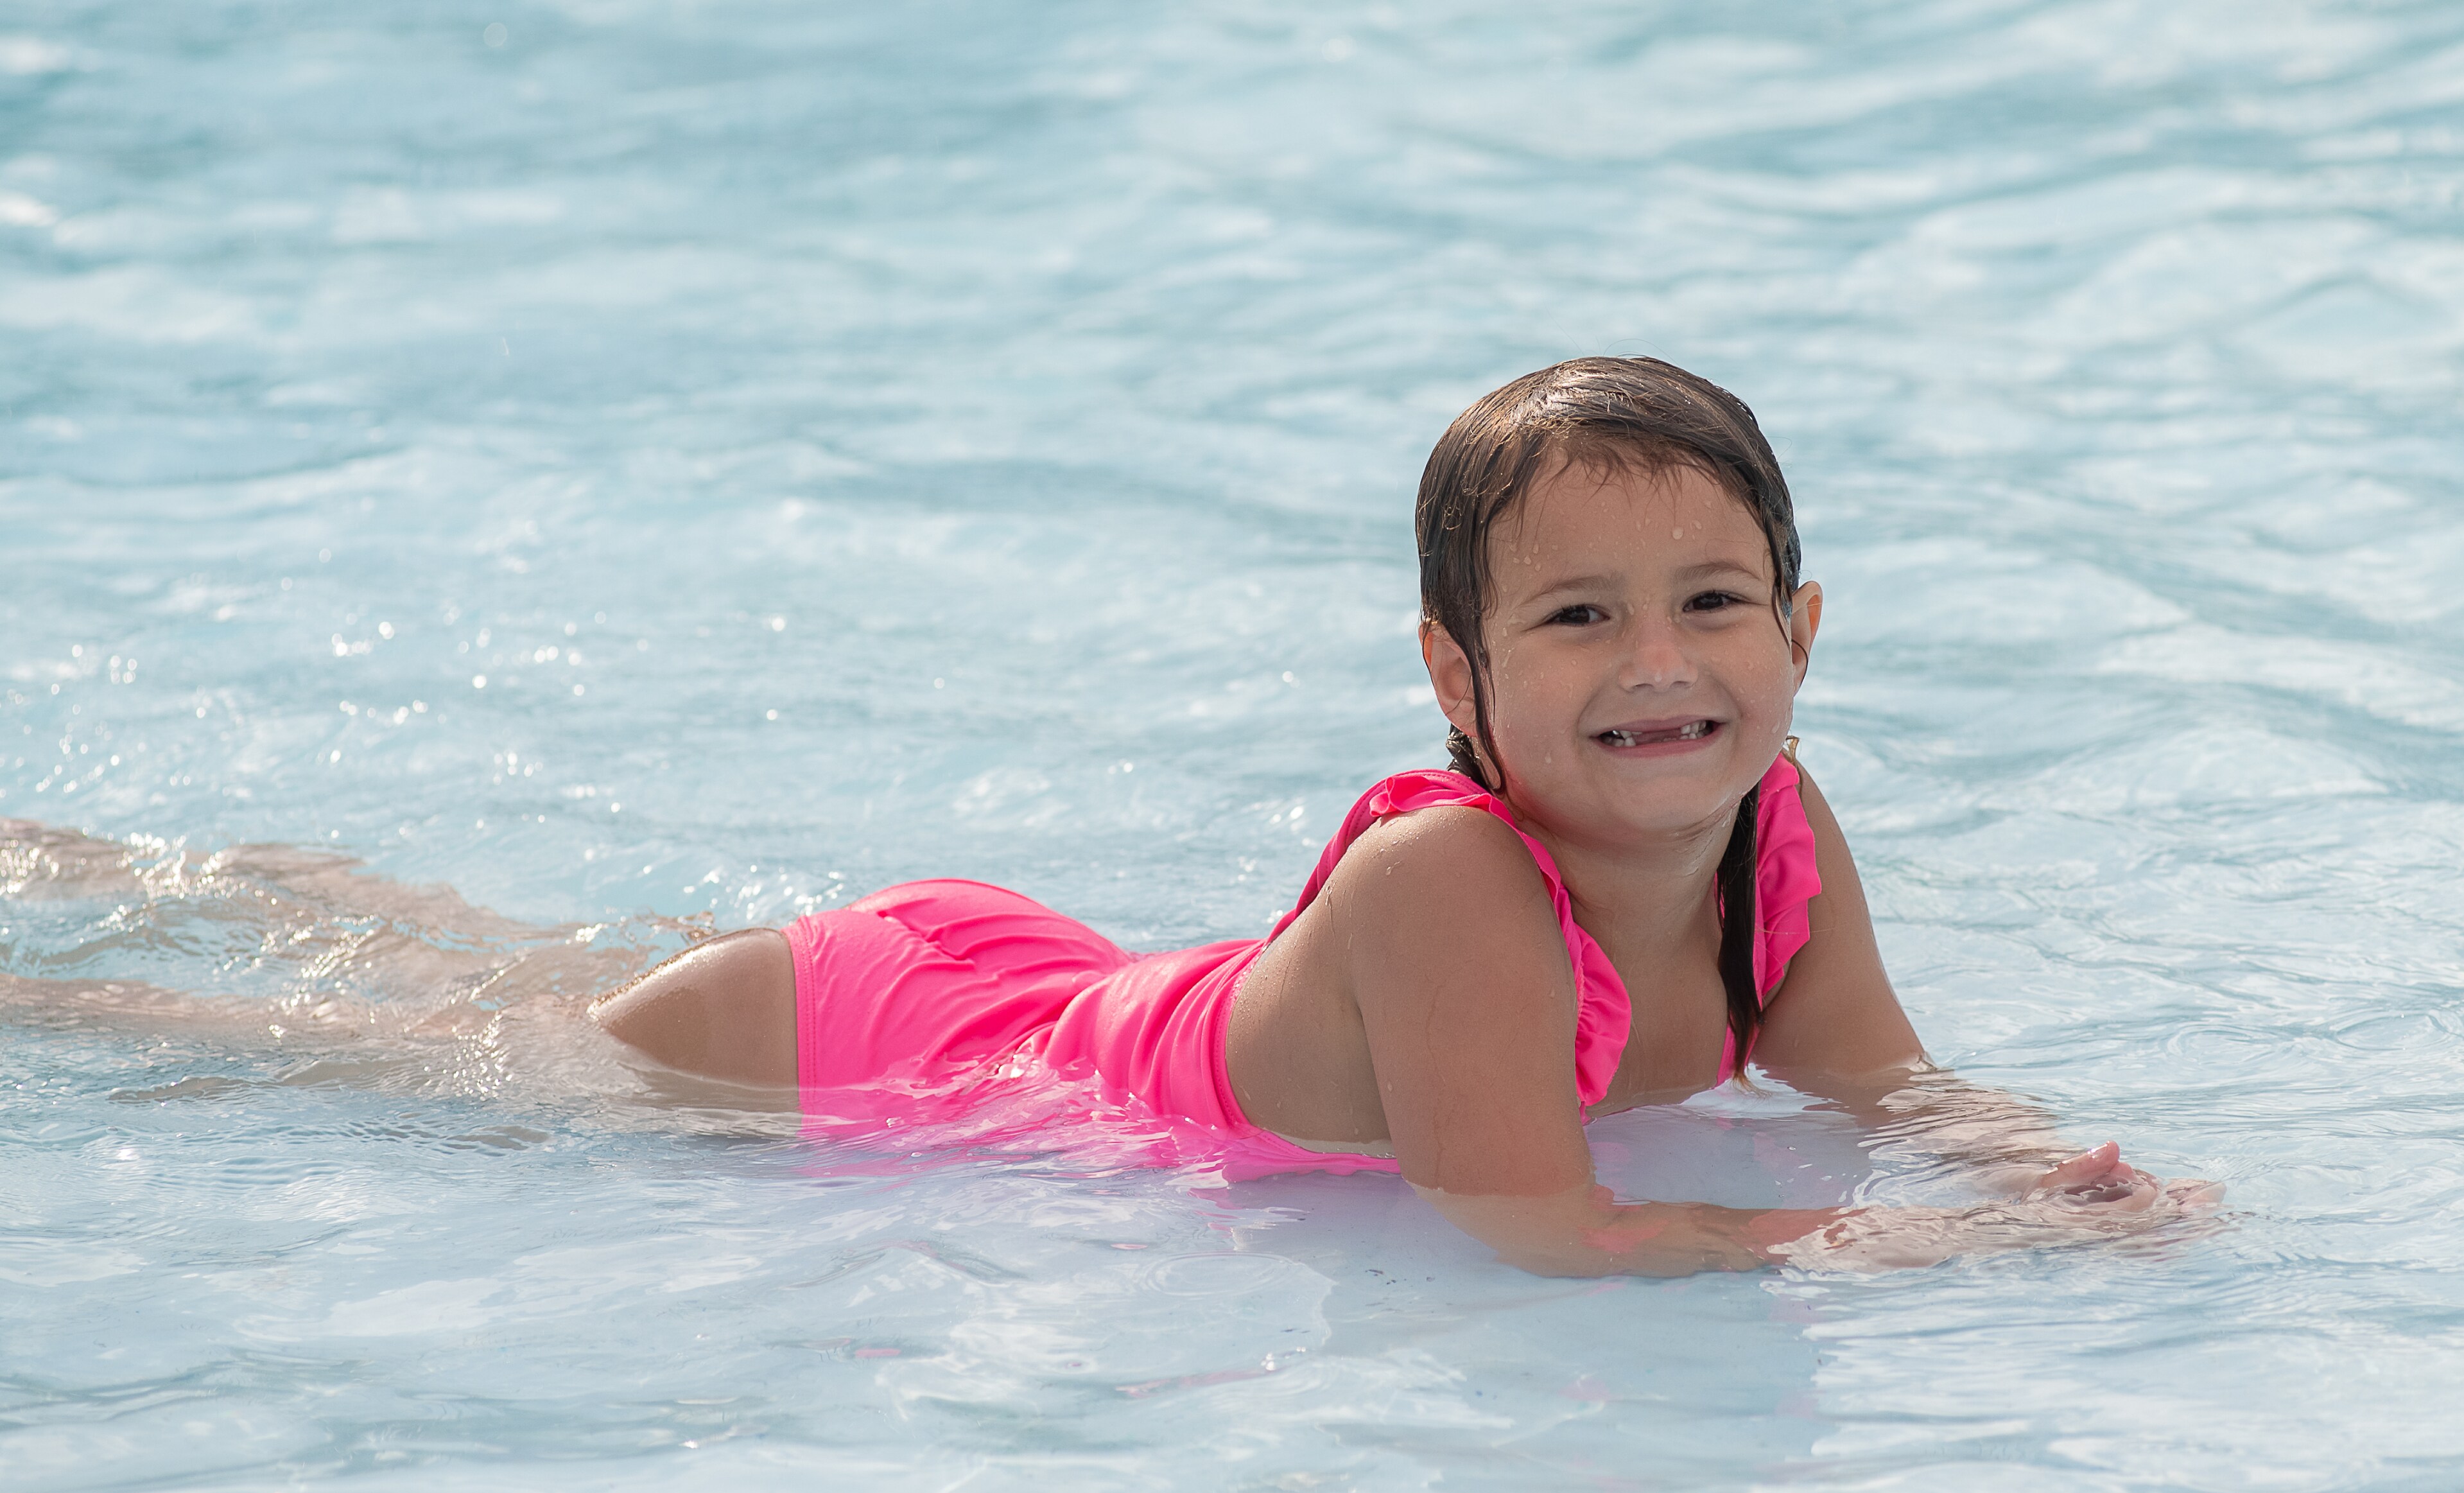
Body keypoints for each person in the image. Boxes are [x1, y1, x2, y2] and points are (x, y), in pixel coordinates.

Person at [587, 356, 2216, 1275]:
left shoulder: (1774, 820)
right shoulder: (1448, 877)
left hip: (1081, 993)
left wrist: (2051, 1172)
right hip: (878, 1045)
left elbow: (1872, 1072)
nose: (1659, 663)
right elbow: (1531, 1213)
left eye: (1712, 600)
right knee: (425, 1041)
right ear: (1458, 672)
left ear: (1796, 635)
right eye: (1578, 617)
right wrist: (1942, 1254)